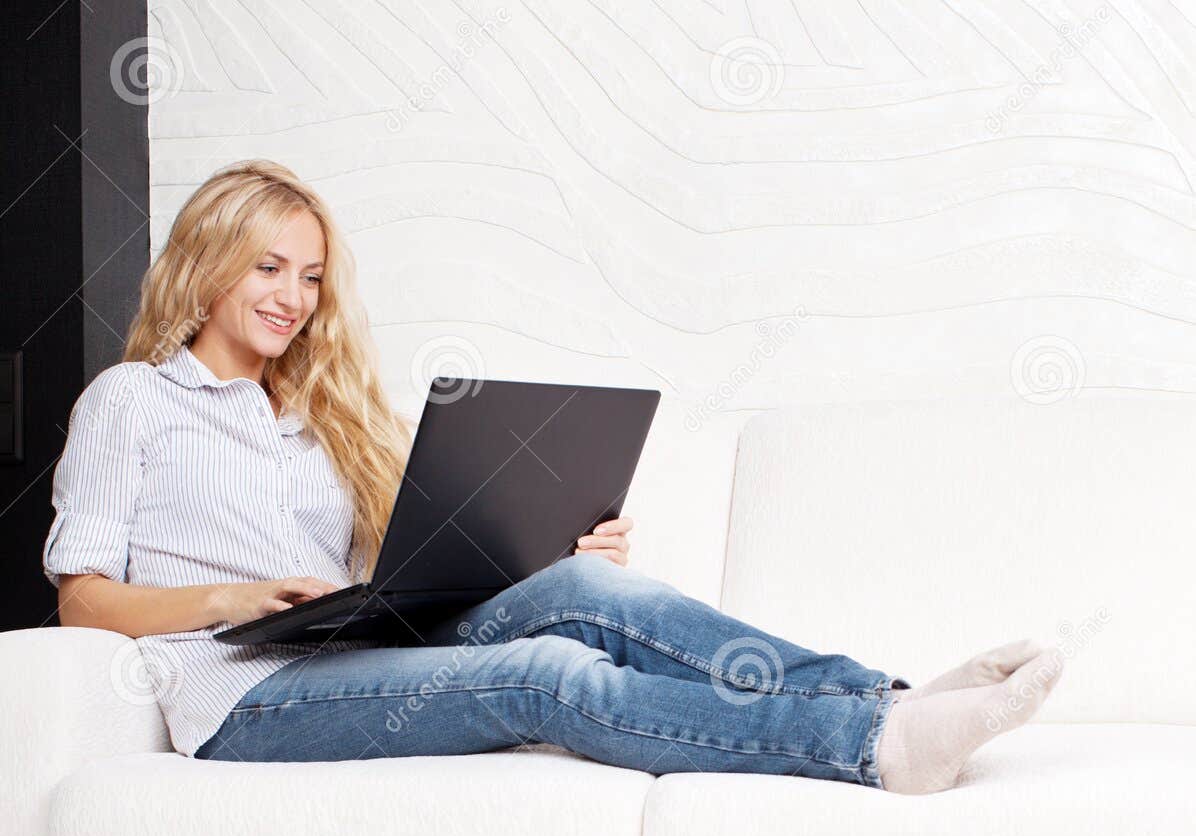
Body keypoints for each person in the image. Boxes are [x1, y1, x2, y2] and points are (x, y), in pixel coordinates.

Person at [45, 160, 1063, 794]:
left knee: (585, 591)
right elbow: (81, 601)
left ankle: (878, 696)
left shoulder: (320, 416)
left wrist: (542, 552)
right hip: (243, 698)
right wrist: (231, 597)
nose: (293, 298)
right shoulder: (130, 403)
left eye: (309, 277)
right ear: (205, 261)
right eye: (268, 267)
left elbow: (397, 576)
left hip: (347, 648)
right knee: (544, 676)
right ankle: (866, 746)